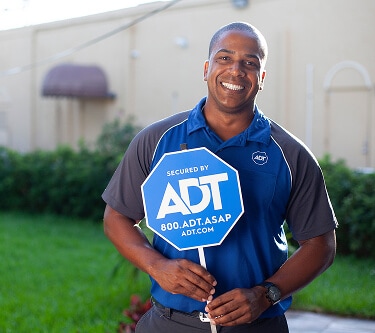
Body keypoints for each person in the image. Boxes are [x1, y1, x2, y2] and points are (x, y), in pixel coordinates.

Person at [102, 22, 337, 333]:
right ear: (206, 68)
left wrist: (266, 294)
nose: (236, 71)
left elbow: (321, 243)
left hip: (257, 325)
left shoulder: (291, 155)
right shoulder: (156, 140)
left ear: (261, 78)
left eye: (250, 63)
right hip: (169, 323)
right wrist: (157, 266)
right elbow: (116, 216)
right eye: (224, 58)